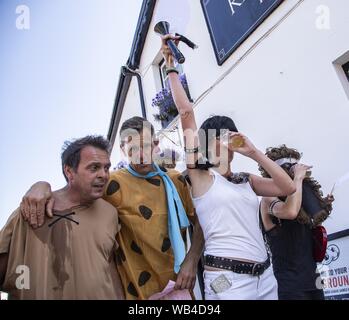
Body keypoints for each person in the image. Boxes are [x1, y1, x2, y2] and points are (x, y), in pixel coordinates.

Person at [161, 35, 296, 300]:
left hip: (266, 277)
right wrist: (171, 68)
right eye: (221, 135)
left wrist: (254, 152)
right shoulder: (200, 175)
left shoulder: (245, 179)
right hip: (226, 280)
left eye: (230, 134)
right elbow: (186, 114)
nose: (228, 139)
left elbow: (288, 187)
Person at [20, 117, 204, 300]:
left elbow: (202, 222)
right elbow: (72, 194)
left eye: (146, 147)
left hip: (179, 288)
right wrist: (41, 186)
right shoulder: (111, 183)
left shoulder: (175, 180)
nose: (141, 156)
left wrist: (192, 259)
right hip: (136, 294)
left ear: (155, 144)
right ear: (123, 150)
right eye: (133, 149)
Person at [0, 136, 124, 299]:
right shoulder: (31, 211)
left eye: (106, 168)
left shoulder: (110, 213)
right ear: (69, 171)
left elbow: (109, 266)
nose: (104, 175)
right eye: (94, 168)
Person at [259, 145, 334, 300]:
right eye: (290, 167)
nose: (295, 170)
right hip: (289, 283)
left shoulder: (300, 198)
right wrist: (297, 178)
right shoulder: (267, 198)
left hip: (314, 278)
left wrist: (322, 205)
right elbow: (290, 212)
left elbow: (313, 225)